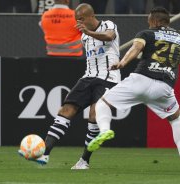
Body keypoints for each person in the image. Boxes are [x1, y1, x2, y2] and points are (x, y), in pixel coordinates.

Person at [87, 7, 180, 173]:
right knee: (176, 119)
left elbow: (136, 48)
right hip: (164, 87)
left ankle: (105, 131)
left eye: (149, 20)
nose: (148, 23)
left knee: (102, 104)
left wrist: (122, 62)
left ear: (154, 21)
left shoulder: (146, 33)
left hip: (141, 79)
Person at [19, 3, 121, 170]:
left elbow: (109, 36)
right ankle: (44, 154)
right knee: (65, 111)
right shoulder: (84, 37)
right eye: (76, 20)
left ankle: (84, 161)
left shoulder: (108, 25)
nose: (78, 23)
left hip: (108, 78)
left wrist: (88, 32)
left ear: (90, 16)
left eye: (80, 19)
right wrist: (86, 33)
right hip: (88, 77)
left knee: (94, 116)